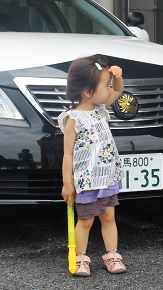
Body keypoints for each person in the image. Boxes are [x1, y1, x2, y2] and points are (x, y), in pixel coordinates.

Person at [60, 55, 128, 276]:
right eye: (105, 86)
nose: (110, 90)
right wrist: (67, 183)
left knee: (109, 217)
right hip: (88, 182)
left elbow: (118, 90)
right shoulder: (74, 119)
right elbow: (67, 154)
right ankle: (80, 258)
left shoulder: (101, 108)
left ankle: (112, 254)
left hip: (107, 177)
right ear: (88, 92)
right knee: (86, 221)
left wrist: (117, 76)